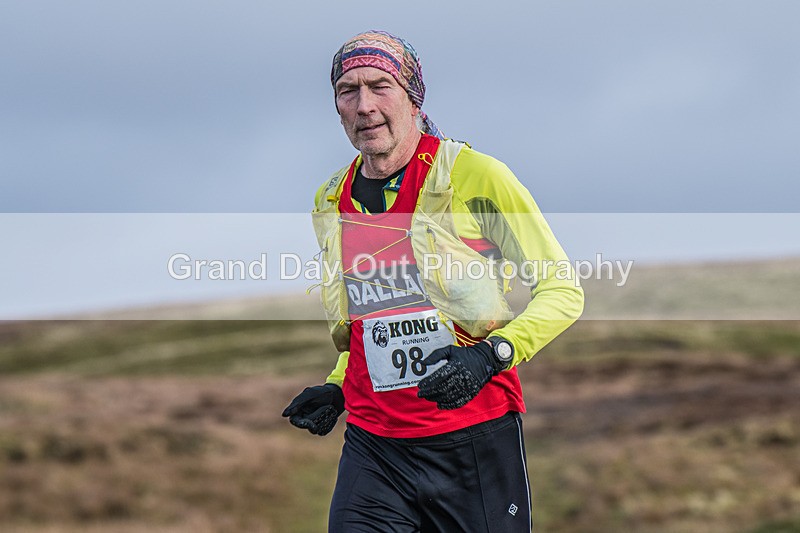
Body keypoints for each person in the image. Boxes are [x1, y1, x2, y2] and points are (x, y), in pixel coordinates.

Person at [282, 30, 584, 532]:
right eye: (348, 90)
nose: (364, 105)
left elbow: (563, 292)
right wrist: (339, 386)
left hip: (473, 440)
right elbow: (374, 315)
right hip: (374, 446)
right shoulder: (331, 198)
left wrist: (492, 355)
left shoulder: (477, 177)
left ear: (413, 97)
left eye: (381, 86)